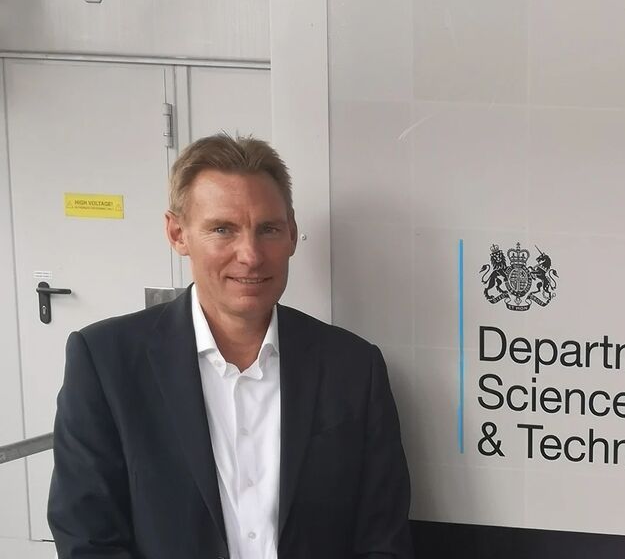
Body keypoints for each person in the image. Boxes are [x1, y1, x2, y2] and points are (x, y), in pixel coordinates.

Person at [48, 134, 413, 558]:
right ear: (177, 232)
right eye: (223, 229)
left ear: (292, 235)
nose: (251, 255)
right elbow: (88, 539)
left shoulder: (353, 367)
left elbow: (382, 538)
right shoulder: (105, 362)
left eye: (269, 229)